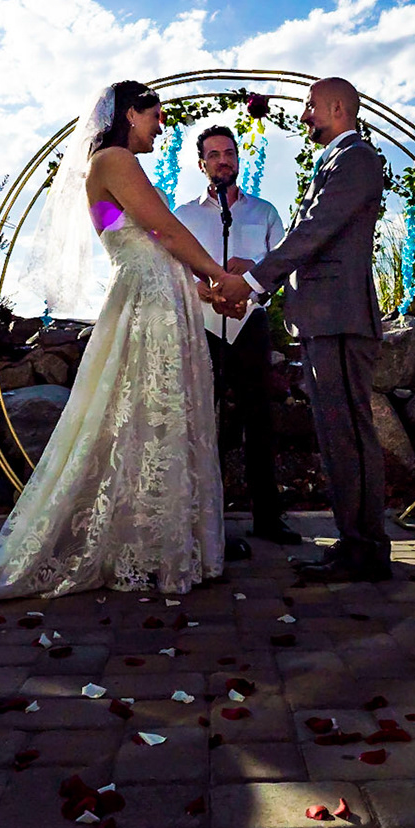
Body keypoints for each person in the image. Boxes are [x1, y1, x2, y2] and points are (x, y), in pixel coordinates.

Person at [0, 82, 250, 601]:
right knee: (140, 416)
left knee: (153, 418)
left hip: (160, 297)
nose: (160, 127)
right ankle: (138, 545)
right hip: (146, 306)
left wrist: (203, 292)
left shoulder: (118, 164)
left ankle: (151, 541)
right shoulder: (114, 159)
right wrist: (217, 275)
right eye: (155, 116)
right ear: (130, 113)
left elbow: (151, 246)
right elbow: (165, 232)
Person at [217, 78, 390, 583]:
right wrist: (259, 280)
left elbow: (313, 233)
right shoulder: (338, 161)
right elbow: (308, 238)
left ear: (337, 107)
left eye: (312, 106)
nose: (306, 115)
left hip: (338, 319)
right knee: (337, 435)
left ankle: (366, 548)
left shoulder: (356, 158)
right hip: (322, 319)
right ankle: (355, 541)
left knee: (349, 434)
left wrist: (250, 281)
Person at [173, 124, 300, 545]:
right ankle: (206, 522)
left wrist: (254, 274)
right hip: (202, 327)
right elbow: (174, 269)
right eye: (214, 154)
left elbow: (282, 269)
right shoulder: (183, 215)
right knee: (202, 420)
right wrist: (201, 291)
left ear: (238, 161)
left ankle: (268, 517)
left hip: (251, 325)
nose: (223, 160)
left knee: (259, 420)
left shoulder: (264, 212)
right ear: (200, 163)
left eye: (229, 153)